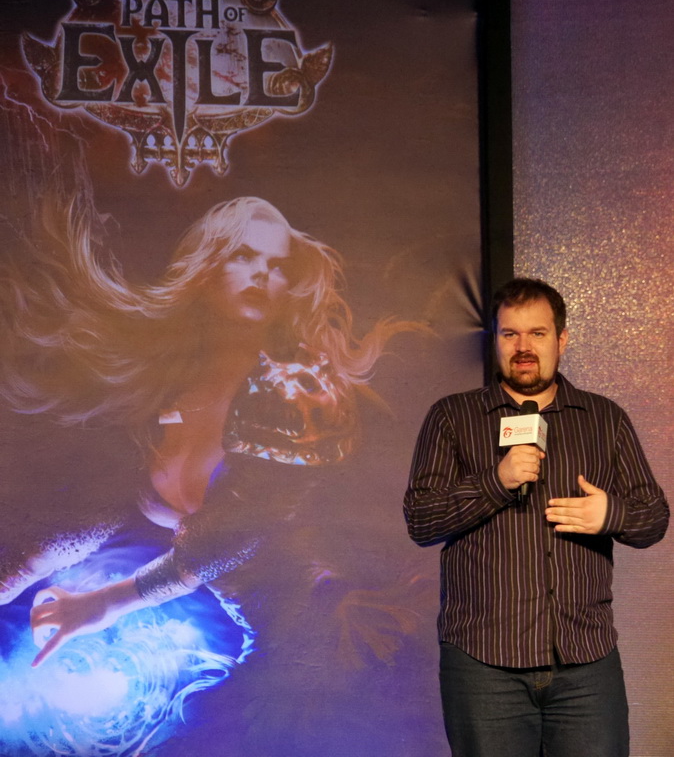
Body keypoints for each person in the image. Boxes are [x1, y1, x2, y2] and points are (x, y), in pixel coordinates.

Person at [0, 195, 410, 665]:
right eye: (244, 256)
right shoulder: (165, 369)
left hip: (291, 618)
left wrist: (105, 603)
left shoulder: (300, 393)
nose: (262, 274)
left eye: (277, 266)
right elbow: (106, 493)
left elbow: (234, 537)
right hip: (184, 587)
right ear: (206, 268)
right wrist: (21, 569)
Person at [403, 277, 669, 757]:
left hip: (586, 664)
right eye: (510, 334)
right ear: (495, 341)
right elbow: (421, 520)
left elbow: (654, 518)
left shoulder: (605, 419)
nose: (523, 347)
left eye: (537, 333)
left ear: (561, 340)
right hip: (484, 666)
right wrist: (496, 480)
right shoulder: (452, 417)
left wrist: (611, 514)